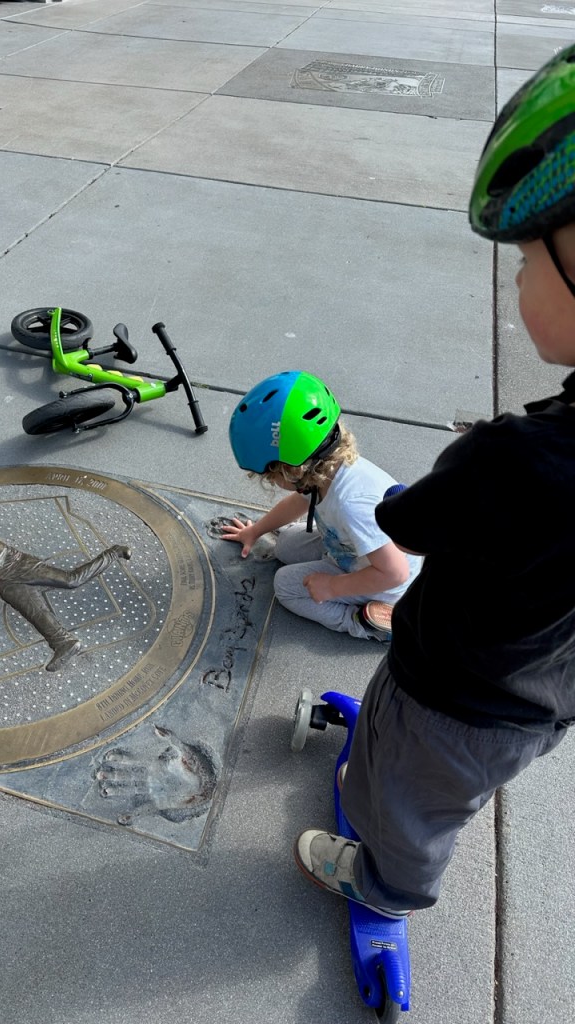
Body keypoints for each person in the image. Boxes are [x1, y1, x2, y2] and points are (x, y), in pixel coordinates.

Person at [294, 47, 575, 919]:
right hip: (537, 696)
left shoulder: (516, 460)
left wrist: (385, 502)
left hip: (454, 695)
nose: (520, 276)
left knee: (405, 803)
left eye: (527, 257)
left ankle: (388, 885)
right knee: (424, 770)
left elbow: (406, 522)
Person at [222, 370, 421, 642]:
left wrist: (332, 586)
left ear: (293, 470)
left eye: (272, 476)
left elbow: (396, 573)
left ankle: (364, 623)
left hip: (382, 582)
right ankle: (334, 574)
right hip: (352, 550)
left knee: (285, 585)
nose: (272, 482)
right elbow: (298, 503)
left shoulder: (353, 506)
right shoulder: (323, 473)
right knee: (284, 544)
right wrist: (255, 531)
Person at [0, 528, 131, 672]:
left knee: (72, 580)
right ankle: (65, 643)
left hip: (24, 567)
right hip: (6, 583)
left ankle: (113, 552)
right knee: (35, 611)